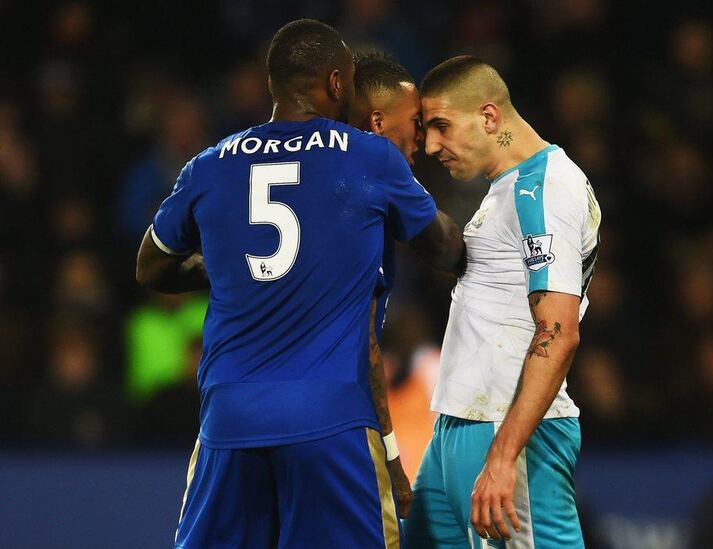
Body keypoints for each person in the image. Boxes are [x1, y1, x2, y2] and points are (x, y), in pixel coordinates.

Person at [135, 20, 463, 549]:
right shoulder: (367, 156)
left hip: (230, 416)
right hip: (329, 418)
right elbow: (445, 249)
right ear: (337, 85)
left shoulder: (209, 164)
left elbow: (150, 268)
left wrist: (224, 267)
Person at [404, 56, 601, 548]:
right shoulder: (506, 190)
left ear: (489, 117)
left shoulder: (546, 188)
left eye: (441, 127)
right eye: (426, 130)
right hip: (460, 424)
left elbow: (558, 333)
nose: (430, 146)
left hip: (506, 434)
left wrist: (503, 456)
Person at [349, 49, 426, 519]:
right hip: (336, 420)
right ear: (377, 122)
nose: (423, 136)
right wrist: (394, 463)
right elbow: (362, 339)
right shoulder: (371, 175)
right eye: (416, 120)